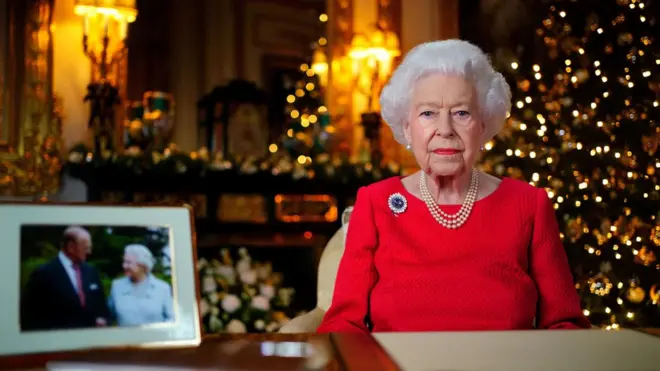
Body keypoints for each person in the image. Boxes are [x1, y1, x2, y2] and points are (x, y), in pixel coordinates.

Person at [317, 40, 590, 333]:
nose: (445, 129)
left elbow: (564, 324)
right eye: (428, 114)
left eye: (461, 113)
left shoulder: (528, 204)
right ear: (407, 127)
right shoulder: (375, 202)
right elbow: (343, 325)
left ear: (483, 125)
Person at [21, 226, 110, 331]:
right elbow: (29, 316)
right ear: (71, 247)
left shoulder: (91, 271)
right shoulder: (43, 274)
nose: (89, 252)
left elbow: (102, 307)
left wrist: (104, 320)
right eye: (86, 248)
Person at [108, 244, 174, 326]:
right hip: (125, 338)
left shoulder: (162, 288)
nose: (124, 266)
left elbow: (171, 318)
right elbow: (108, 316)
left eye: (128, 263)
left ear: (143, 265)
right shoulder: (117, 286)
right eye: (124, 262)